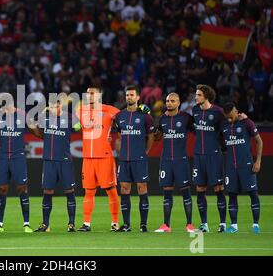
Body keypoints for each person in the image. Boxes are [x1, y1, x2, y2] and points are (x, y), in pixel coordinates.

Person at [28, 99, 81, 232]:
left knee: (69, 191)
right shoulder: (45, 119)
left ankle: (71, 224)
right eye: (50, 106)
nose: (52, 108)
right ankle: (45, 224)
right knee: (47, 192)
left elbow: (79, 127)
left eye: (55, 106)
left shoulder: (69, 118)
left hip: (64, 161)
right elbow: (30, 122)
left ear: (60, 106)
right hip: (49, 161)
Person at [76, 86, 121, 232]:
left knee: (111, 190)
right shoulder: (80, 110)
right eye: (87, 93)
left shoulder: (109, 109)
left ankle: (115, 223)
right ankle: (86, 224)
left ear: (99, 95)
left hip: (104, 156)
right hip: (87, 158)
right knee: (89, 192)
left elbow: (127, 118)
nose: (89, 96)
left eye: (92, 93)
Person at [0, 101, 33, 233]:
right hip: (3, 157)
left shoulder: (22, 115)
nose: (4, 108)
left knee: (22, 188)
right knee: (1, 189)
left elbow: (32, 128)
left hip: (18, 156)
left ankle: (26, 224)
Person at [114, 86, 155, 232]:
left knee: (141, 188)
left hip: (139, 158)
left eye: (132, 95)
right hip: (124, 159)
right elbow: (120, 134)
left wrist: (146, 151)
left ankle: (143, 225)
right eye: (127, 95)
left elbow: (151, 136)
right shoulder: (120, 116)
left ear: (138, 97)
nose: (129, 97)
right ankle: (126, 225)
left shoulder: (145, 116)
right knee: (124, 188)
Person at [153, 93, 195, 233]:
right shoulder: (162, 118)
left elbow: (197, 131)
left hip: (180, 160)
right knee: (167, 192)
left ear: (178, 103)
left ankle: (189, 225)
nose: (169, 103)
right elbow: (157, 137)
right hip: (166, 161)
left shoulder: (185, 118)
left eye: (172, 101)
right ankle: (166, 225)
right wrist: (156, 127)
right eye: (167, 101)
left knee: (185, 192)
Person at [221, 103, 263, 234]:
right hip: (230, 167)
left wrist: (258, 161)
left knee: (253, 193)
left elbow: (259, 141)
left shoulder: (247, 123)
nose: (229, 119)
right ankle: (234, 226)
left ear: (236, 112)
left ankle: (255, 224)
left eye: (231, 116)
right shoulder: (224, 125)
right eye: (226, 117)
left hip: (246, 165)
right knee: (232, 194)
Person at [192, 85, 227, 233]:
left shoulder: (218, 112)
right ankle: (204, 224)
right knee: (200, 188)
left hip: (214, 155)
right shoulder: (195, 110)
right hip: (199, 155)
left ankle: (223, 224)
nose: (196, 97)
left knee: (219, 188)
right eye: (196, 94)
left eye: (199, 95)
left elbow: (227, 128)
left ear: (206, 96)